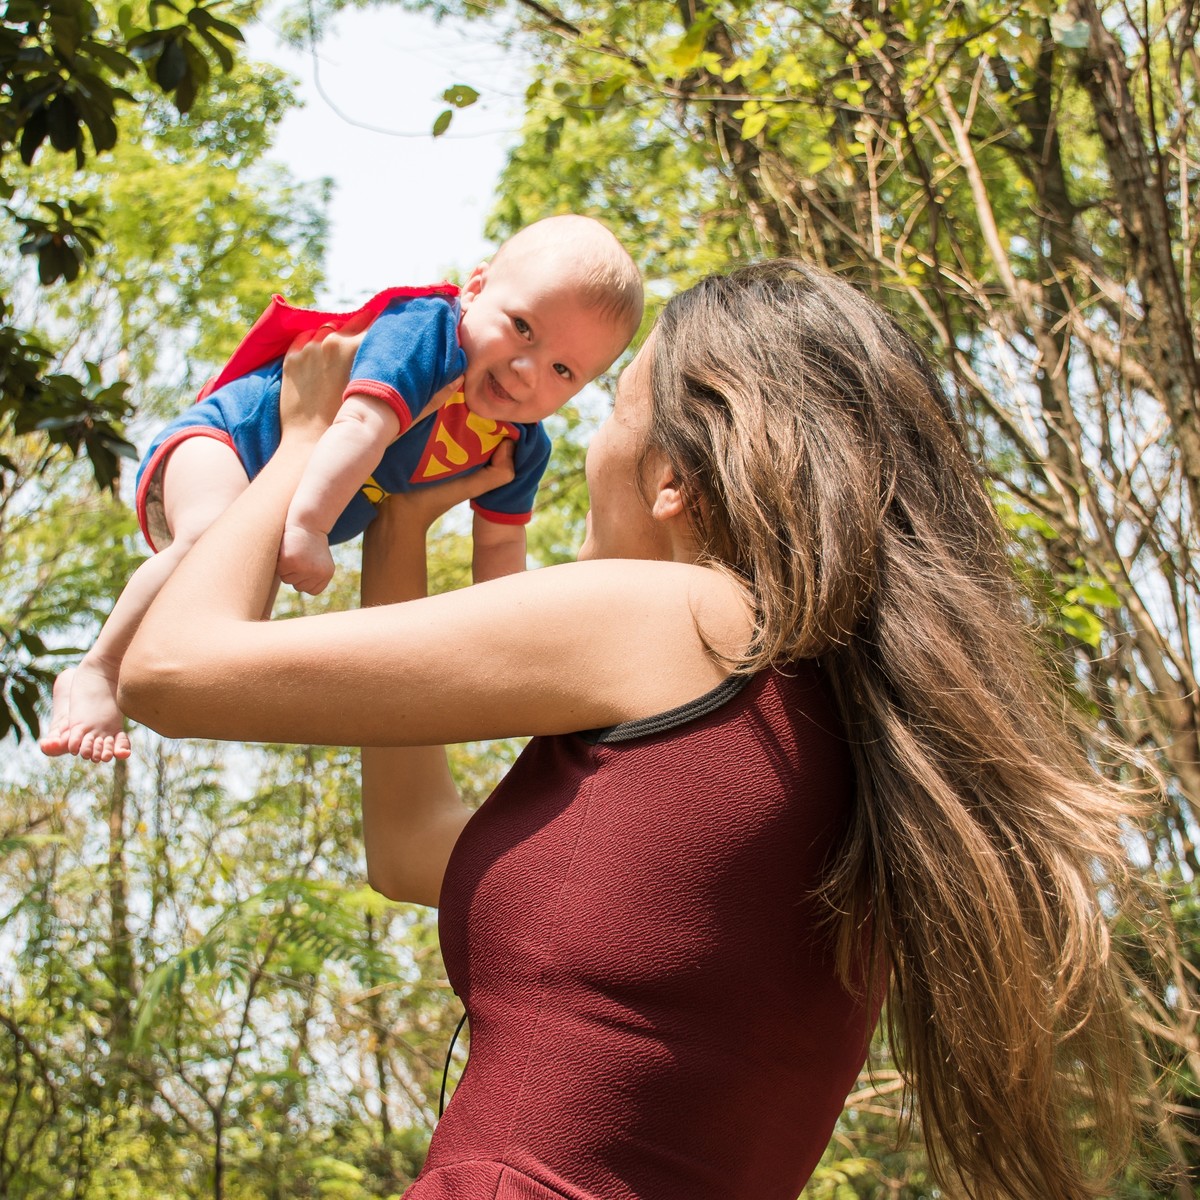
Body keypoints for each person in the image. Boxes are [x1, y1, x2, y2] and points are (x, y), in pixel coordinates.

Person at [117, 260, 1137, 1200]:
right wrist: (403, 526)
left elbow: (171, 671)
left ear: (672, 478)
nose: (585, 440)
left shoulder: (681, 620)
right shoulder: (835, 727)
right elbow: (412, 848)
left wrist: (303, 439)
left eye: (610, 408)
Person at [40, 214, 642, 764]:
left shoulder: (520, 446)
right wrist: (308, 526)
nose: (528, 370)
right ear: (476, 288)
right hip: (229, 442)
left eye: (564, 370)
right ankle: (98, 668)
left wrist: (519, 655)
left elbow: (502, 558)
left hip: (280, 503)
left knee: (231, 618)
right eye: (522, 328)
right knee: (207, 537)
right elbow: (358, 425)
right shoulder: (426, 334)